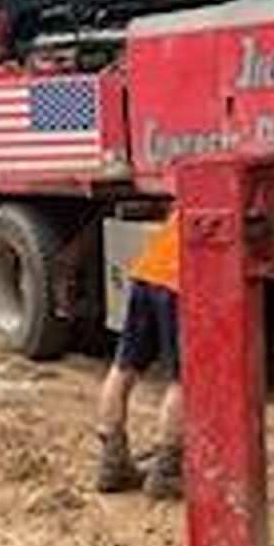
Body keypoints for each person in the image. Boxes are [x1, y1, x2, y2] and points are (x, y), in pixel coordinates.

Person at [95, 210, 182, 500]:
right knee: (185, 380)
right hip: (180, 282)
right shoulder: (245, 204)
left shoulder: (191, 200)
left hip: (147, 274)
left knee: (124, 367)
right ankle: (167, 473)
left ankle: (112, 463)